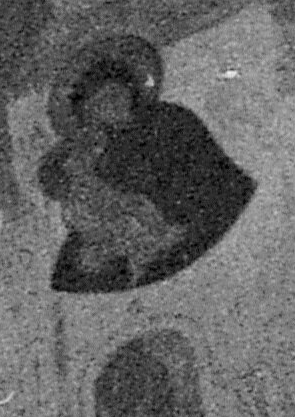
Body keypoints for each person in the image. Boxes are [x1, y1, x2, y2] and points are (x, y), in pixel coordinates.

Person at [41, 38, 257, 293]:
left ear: (129, 90)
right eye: (98, 105)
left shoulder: (171, 120)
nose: (110, 107)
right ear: (89, 115)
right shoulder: (100, 152)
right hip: (135, 235)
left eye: (114, 95)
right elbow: (99, 206)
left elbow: (212, 176)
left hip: (196, 215)